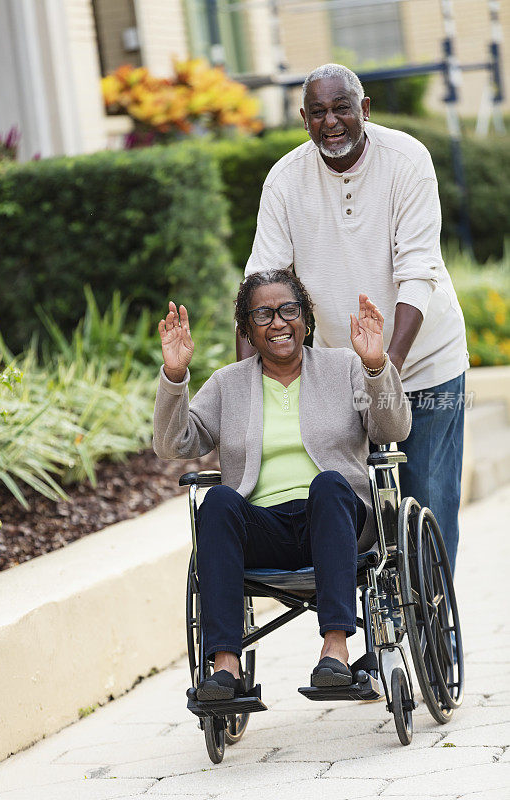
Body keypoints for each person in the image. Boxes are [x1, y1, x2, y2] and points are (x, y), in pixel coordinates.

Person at [239, 64, 469, 575]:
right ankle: (375, 630)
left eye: (342, 107)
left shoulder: (407, 160)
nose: (331, 121)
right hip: (341, 374)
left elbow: (417, 273)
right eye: (317, 112)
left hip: (426, 362)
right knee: (354, 515)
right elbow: (261, 286)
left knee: (427, 505)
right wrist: (246, 394)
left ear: (364, 109)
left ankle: (437, 635)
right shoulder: (284, 181)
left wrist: (384, 373)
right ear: (303, 119)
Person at [153, 269, 411, 699]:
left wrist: (373, 364)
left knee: (327, 485)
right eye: (263, 314)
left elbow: (394, 426)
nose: (278, 322)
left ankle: (335, 649)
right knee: (215, 501)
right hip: (264, 529)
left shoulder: (343, 367)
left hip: (337, 520)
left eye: (288, 309)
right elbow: (171, 443)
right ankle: (226, 666)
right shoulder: (226, 384)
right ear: (246, 330)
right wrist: (175, 376)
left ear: (306, 319)